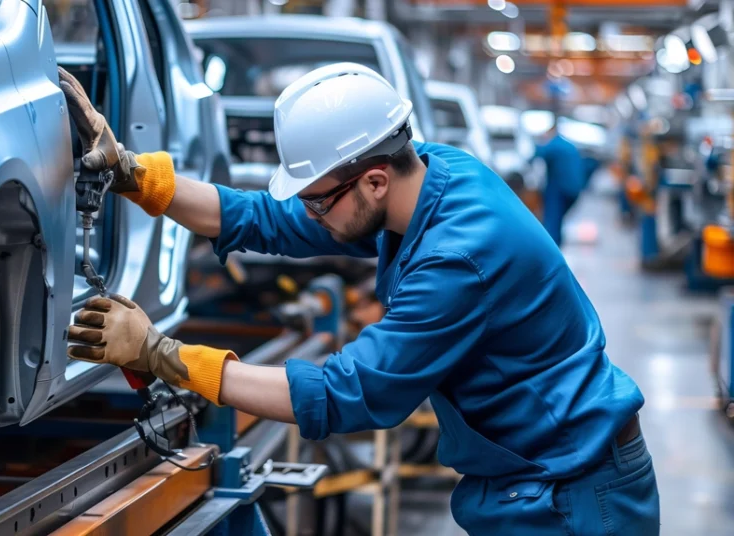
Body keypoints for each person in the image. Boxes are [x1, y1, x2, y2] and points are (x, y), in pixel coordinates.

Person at [58, 63, 659, 535]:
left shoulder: (457, 258)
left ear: (374, 180)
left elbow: (351, 391)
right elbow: (269, 218)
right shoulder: (432, 174)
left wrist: (164, 355)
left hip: (572, 495)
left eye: (319, 199)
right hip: (536, 474)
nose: (311, 212)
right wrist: (136, 174)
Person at [533, 124, 585, 246]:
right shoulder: (569, 146)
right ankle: (557, 246)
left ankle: (551, 249)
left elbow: (535, 154)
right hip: (575, 190)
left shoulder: (554, 145)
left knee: (552, 221)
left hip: (559, 189)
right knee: (558, 220)